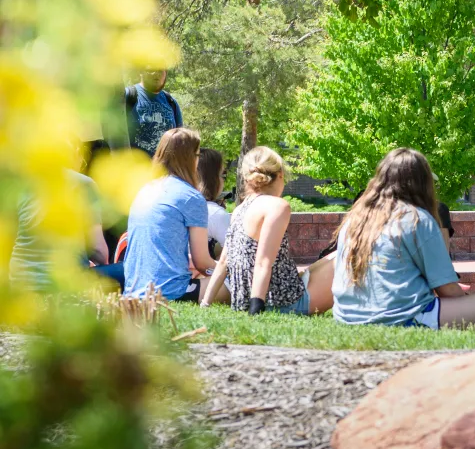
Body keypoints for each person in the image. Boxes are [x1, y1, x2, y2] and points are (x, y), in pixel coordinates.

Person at [332, 148, 475, 328]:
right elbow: (448, 291)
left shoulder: (354, 219)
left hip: (346, 316)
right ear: (422, 183)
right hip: (402, 316)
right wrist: (467, 301)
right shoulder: (416, 219)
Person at [201, 146, 335, 315]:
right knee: (348, 256)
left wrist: (205, 303)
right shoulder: (277, 206)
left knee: (331, 258)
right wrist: (256, 309)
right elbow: (263, 262)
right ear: (280, 175)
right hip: (280, 303)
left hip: (244, 302)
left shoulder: (239, 210)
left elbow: (223, 263)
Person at [123, 128, 217, 302]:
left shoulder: (144, 190)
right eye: (197, 155)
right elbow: (202, 263)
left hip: (133, 290)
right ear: (189, 159)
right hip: (170, 292)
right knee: (236, 283)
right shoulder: (191, 197)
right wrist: (227, 269)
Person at [9, 170, 113, 290]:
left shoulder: (18, 183)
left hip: (20, 285)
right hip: (66, 288)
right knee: (121, 270)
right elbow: (98, 250)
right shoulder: (83, 183)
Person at [125, 68, 184, 159]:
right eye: (151, 69)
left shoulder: (171, 102)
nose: (156, 74)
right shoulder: (128, 96)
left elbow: (179, 139)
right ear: (141, 71)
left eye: (160, 70)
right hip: (134, 170)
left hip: (165, 170)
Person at [197, 148, 231, 257]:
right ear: (212, 178)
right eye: (222, 174)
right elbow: (235, 254)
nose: (223, 181)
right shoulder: (214, 212)